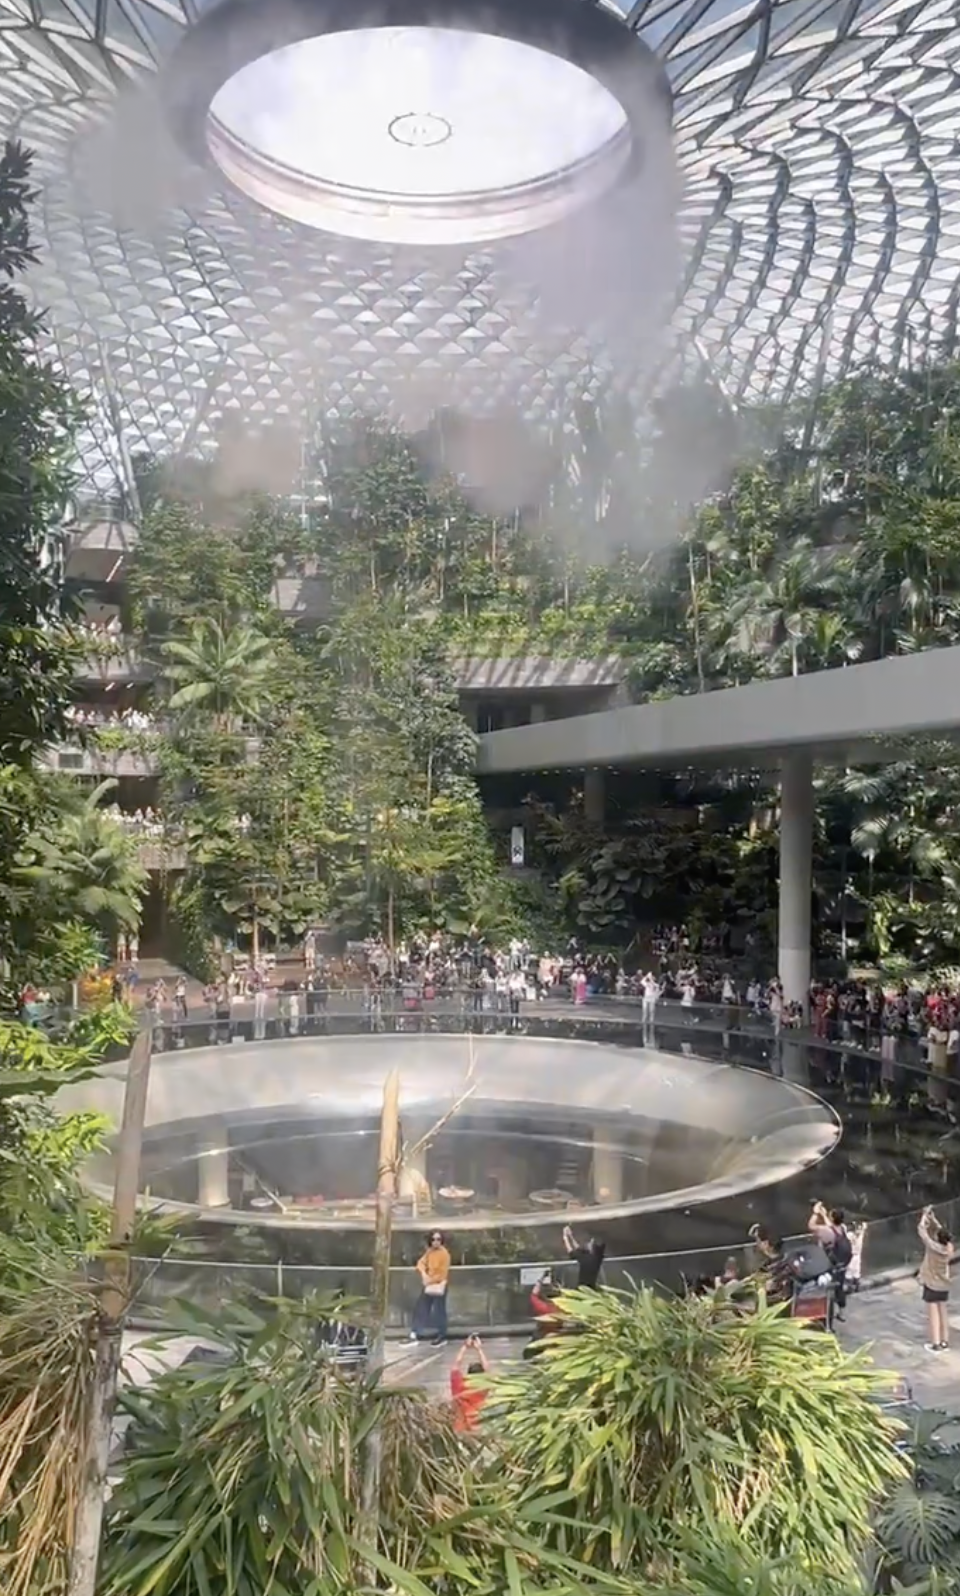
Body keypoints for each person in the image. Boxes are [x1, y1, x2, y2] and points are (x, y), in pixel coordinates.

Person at [808, 1200, 853, 1322]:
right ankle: (841, 1313)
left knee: (826, 1290)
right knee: (839, 1288)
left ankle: (826, 1317)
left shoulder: (826, 1232)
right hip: (842, 1265)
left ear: (832, 1218)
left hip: (829, 1266)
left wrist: (815, 1213)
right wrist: (824, 1214)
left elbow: (811, 1226)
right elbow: (831, 1226)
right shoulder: (842, 1228)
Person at [918, 1205, 954, 1352]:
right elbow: (942, 1233)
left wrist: (924, 1216)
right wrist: (933, 1220)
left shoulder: (933, 1247)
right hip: (944, 1284)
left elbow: (921, 1231)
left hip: (932, 1283)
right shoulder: (949, 1248)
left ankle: (935, 1343)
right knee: (943, 1312)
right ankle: (945, 1341)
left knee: (933, 1315)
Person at [409, 1229, 451, 1345]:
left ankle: (442, 1336)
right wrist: (424, 1274)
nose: (435, 1242)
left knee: (439, 1311)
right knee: (421, 1308)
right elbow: (420, 1263)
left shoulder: (444, 1254)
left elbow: (442, 1274)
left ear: (442, 1241)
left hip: (439, 1285)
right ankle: (415, 1332)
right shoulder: (430, 1252)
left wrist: (429, 1280)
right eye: (433, 1239)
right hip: (429, 1285)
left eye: (438, 1239)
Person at [449, 1334, 489, 1431]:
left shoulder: (459, 1384)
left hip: (459, 1426)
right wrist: (479, 1349)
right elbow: (487, 1369)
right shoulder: (483, 1388)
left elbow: (456, 1364)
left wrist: (465, 1346)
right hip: (477, 1425)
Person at [562, 1224, 605, 1288]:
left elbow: (571, 1251)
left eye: (590, 1243)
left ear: (592, 1248)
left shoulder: (586, 1258)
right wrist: (570, 1236)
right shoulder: (598, 1257)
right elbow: (578, 1249)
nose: (588, 1243)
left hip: (583, 1287)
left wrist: (565, 1237)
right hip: (592, 1286)